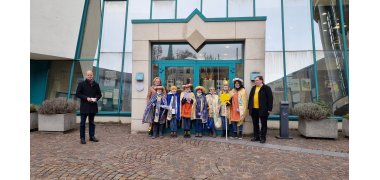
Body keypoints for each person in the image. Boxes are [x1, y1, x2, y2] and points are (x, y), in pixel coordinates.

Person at [75, 70, 102, 144]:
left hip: (93, 106)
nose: (90, 76)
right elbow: (77, 94)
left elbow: (99, 94)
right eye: (88, 75)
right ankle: (82, 138)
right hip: (84, 107)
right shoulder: (81, 84)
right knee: (82, 123)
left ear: (93, 75)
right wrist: (86, 98)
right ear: (86, 76)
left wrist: (96, 98)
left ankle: (92, 136)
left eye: (91, 75)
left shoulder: (96, 84)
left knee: (92, 122)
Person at [248, 76, 273, 143]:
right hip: (254, 109)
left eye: (257, 80)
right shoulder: (253, 88)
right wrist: (249, 108)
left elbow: (270, 99)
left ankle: (263, 138)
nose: (256, 81)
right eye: (255, 80)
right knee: (255, 124)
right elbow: (250, 98)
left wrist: (269, 108)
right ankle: (256, 137)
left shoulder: (266, 88)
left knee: (263, 124)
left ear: (261, 80)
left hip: (263, 109)